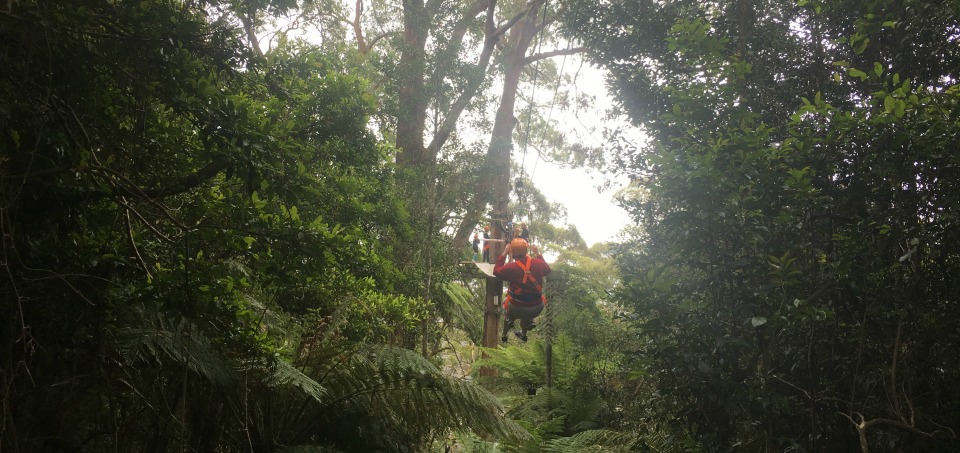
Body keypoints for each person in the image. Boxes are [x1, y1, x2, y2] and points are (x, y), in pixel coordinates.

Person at [494, 238, 551, 343]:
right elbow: (548, 269)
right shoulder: (538, 263)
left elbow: (496, 271)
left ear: (513, 252)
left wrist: (504, 253)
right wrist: (538, 253)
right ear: (526, 250)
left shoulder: (511, 267)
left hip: (515, 307)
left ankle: (505, 330)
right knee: (527, 311)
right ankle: (524, 334)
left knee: (506, 302)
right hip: (536, 308)